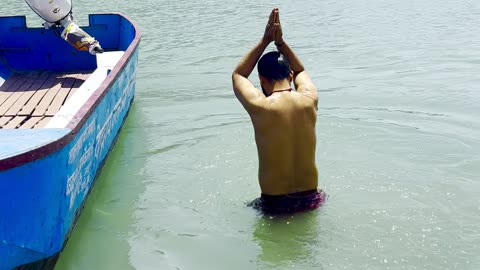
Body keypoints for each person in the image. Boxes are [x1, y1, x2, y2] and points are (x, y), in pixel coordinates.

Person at [232, 8, 326, 215]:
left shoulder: (261, 106)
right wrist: (280, 43)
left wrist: (266, 40)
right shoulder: (310, 99)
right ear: (290, 76)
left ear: (262, 81)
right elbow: (301, 70)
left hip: (274, 205)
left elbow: (239, 74)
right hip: (312, 200)